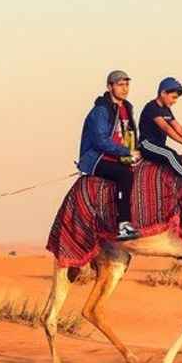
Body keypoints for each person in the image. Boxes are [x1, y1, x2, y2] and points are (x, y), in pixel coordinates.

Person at [77, 70, 142, 241]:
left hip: (118, 155)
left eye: (127, 84)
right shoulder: (101, 110)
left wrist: (133, 153)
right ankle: (123, 224)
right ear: (110, 86)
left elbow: (128, 135)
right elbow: (100, 141)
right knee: (124, 174)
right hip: (97, 158)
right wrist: (127, 152)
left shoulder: (127, 108)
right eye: (120, 85)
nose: (125, 88)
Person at [138, 77, 182, 186]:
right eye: (173, 97)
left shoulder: (166, 109)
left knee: (179, 157)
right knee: (170, 154)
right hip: (148, 145)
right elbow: (167, 128)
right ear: (163, 93)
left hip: (159, 145)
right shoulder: (151, 108)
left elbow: (178, 128)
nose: (175, 101)